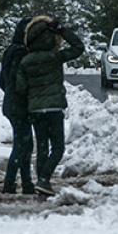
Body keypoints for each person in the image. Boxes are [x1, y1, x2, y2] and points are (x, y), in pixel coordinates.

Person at [15, 15, 85, 196]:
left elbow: (20, 88)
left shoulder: (25, 61)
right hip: (54, 108)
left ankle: (42, 183)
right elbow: (78, 48)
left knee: (43, 148)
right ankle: (44, 180)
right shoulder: (55, 57)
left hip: (35, 110)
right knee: (58, 147)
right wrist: (62, 29)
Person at [0, 17, 35, 194]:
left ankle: (25, 183)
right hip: (19, 106)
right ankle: (11, 183)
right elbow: (18, 80)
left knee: (24, 144)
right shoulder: (21, 53)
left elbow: (2, 81)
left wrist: (10, 93)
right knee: (22, 145)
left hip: (11, 104)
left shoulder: (10, 51)